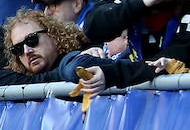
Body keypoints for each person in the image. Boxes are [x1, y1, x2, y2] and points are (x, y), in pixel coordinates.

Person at [1, 8, 154, 92]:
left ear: (54, 36)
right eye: (18, 49)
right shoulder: (20, 78)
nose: (27, 51)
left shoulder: (78, 56)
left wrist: (79, 63)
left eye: (32, 40)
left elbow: (74, 66)